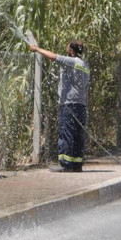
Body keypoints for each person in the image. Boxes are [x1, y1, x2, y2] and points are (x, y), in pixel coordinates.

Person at [30, 40, 90, 173]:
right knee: (78, 135)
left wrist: (37, 49)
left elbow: (53, 57)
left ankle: (66, 164)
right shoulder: (85, 65)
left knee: (66, 133)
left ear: (72, 50)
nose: (66, 48)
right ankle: (77, 164)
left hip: (69, 104)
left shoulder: (71, 61)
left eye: (68, 47)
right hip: (81, 105)